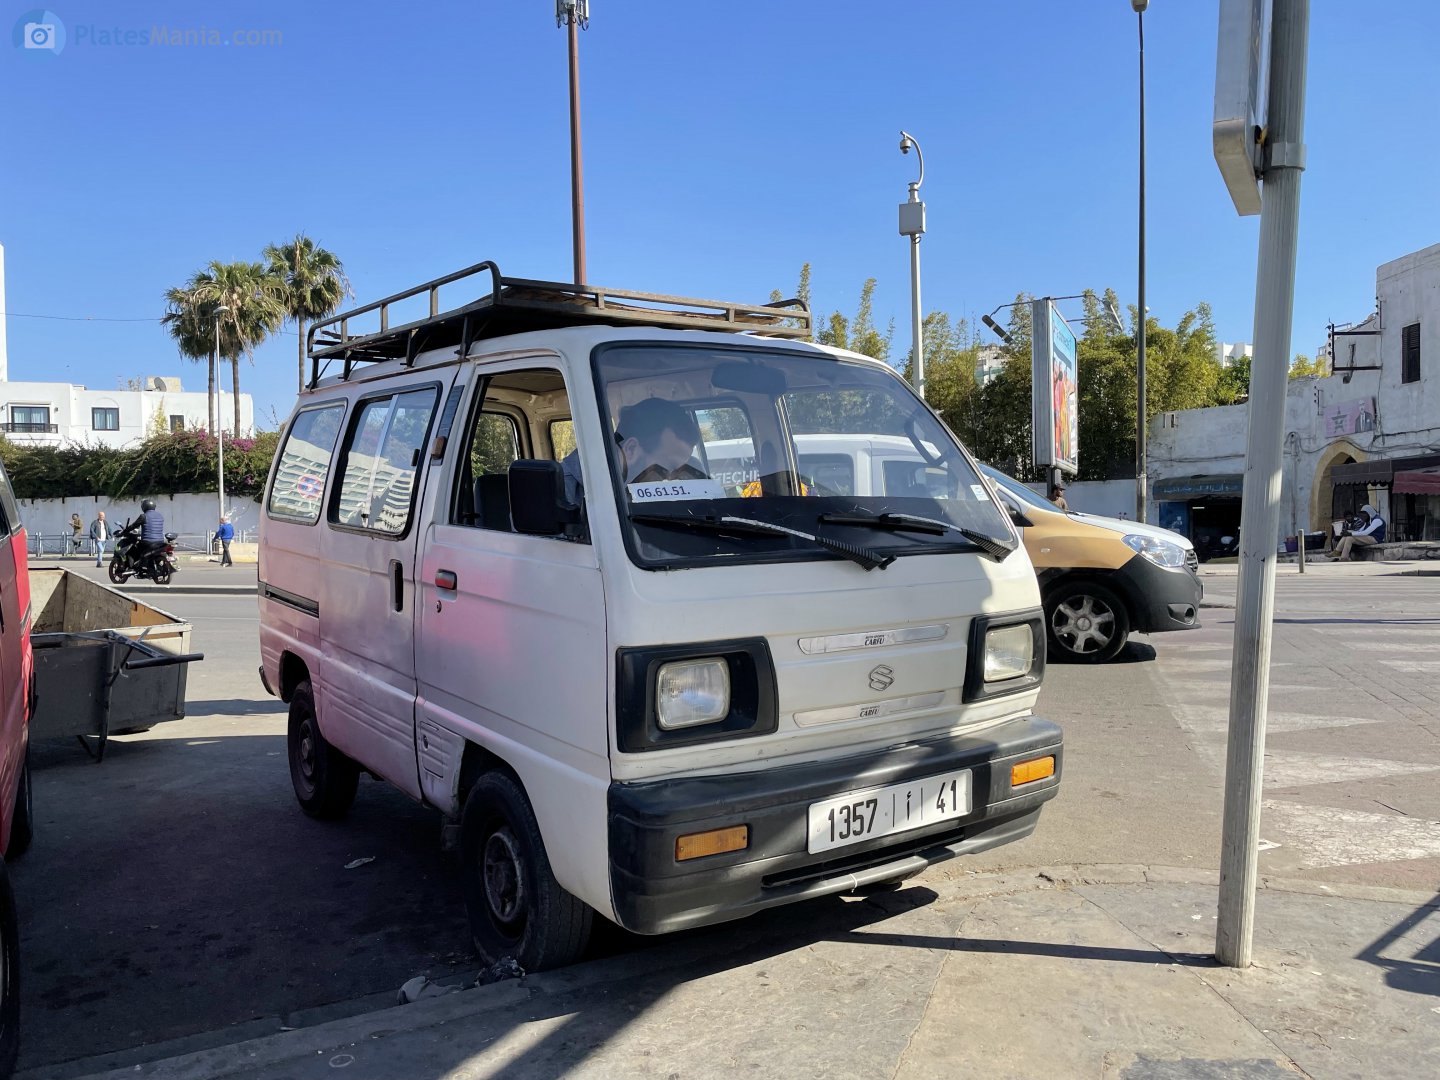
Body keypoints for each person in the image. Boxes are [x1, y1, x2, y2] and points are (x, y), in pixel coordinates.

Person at [561, 397, 704, 505]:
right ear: (631, 449)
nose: (669, 479)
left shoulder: (626, 488)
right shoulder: (557, 495)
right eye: (667, 468)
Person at [133, 498, 167, 573]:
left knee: (136, 548)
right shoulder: (160, 516)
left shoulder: (143, 516)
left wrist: (125, 531)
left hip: (148, 542)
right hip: (160, 541)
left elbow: (134, 526)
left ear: (144, 507)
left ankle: (140, 566)